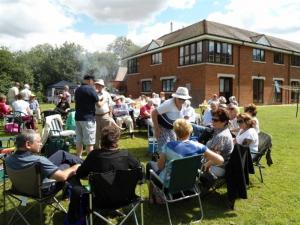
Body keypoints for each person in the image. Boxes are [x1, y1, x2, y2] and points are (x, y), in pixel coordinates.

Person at [67, 125, 141, 223]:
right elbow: (139, 168)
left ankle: (77, 209)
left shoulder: (94, 155)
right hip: (125, 198)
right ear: (117, 139)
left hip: (100, 200)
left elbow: (80, 174)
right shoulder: (125, 154)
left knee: (73, 178)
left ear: (101, 139)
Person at [147, 119, 224, 203]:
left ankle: (152, 197)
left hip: (168, 184)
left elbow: (160, 167)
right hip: (189, 182)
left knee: (150, 165)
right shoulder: (199, 146)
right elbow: (220, 160)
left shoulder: (168, 146)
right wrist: (208, 163)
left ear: (175, 132)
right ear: (190, 131)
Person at [5, 130, 82, 195]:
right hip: (41, 191)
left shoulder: (8, 159)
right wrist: (76, 166)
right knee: (67, 165)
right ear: (28, 144)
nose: (41, 144)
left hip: (20, 189)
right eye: (38, 141)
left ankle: (85, 164)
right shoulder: (39, 160)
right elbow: (63, 177)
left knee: (61, 153)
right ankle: (85, 168)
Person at [151, 87, 191, 152]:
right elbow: (154, 113)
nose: (182, 100)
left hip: (171, 126)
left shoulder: (185, 103)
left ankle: (170, 160)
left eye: (184, 99)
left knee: (174, 145)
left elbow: (183, 117)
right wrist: (156, 129)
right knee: (164, 147)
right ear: (176, 97)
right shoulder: (168, 104)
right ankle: (161, 160)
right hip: (161, 126)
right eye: (180, 98)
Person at [75, 74, 105, 157]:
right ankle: (90, 162)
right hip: (88, 119)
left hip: (78, 118)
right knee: (89, 143)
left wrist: (96, 93)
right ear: (90, 80)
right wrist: (104, 100)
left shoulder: (77, 89)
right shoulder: (91, 89)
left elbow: (86, 98)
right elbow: (99, 105)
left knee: (79, 140)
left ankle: (78, 159)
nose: (94, 84)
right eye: (93, 82)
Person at [204, 108, 234, 177]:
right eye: (212, 119)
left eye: (216, 120)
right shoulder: (219, 130)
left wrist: (204, 166)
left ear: (224, 122)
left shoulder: (221, 136)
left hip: (217, 167)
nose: (212, 122)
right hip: (213, 163)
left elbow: (215, 158)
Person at [94, 79, 115, 148]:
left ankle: (106, 147)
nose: (97, 86)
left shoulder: (106, 94)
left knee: (106, 132)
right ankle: (97, 148)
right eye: (96, 85)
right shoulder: (93, 93)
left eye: (99, 85)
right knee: (96, 133)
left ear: (102, 86)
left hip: (105, 115)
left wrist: (110, 116)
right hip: (95, 116)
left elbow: (110, 105)